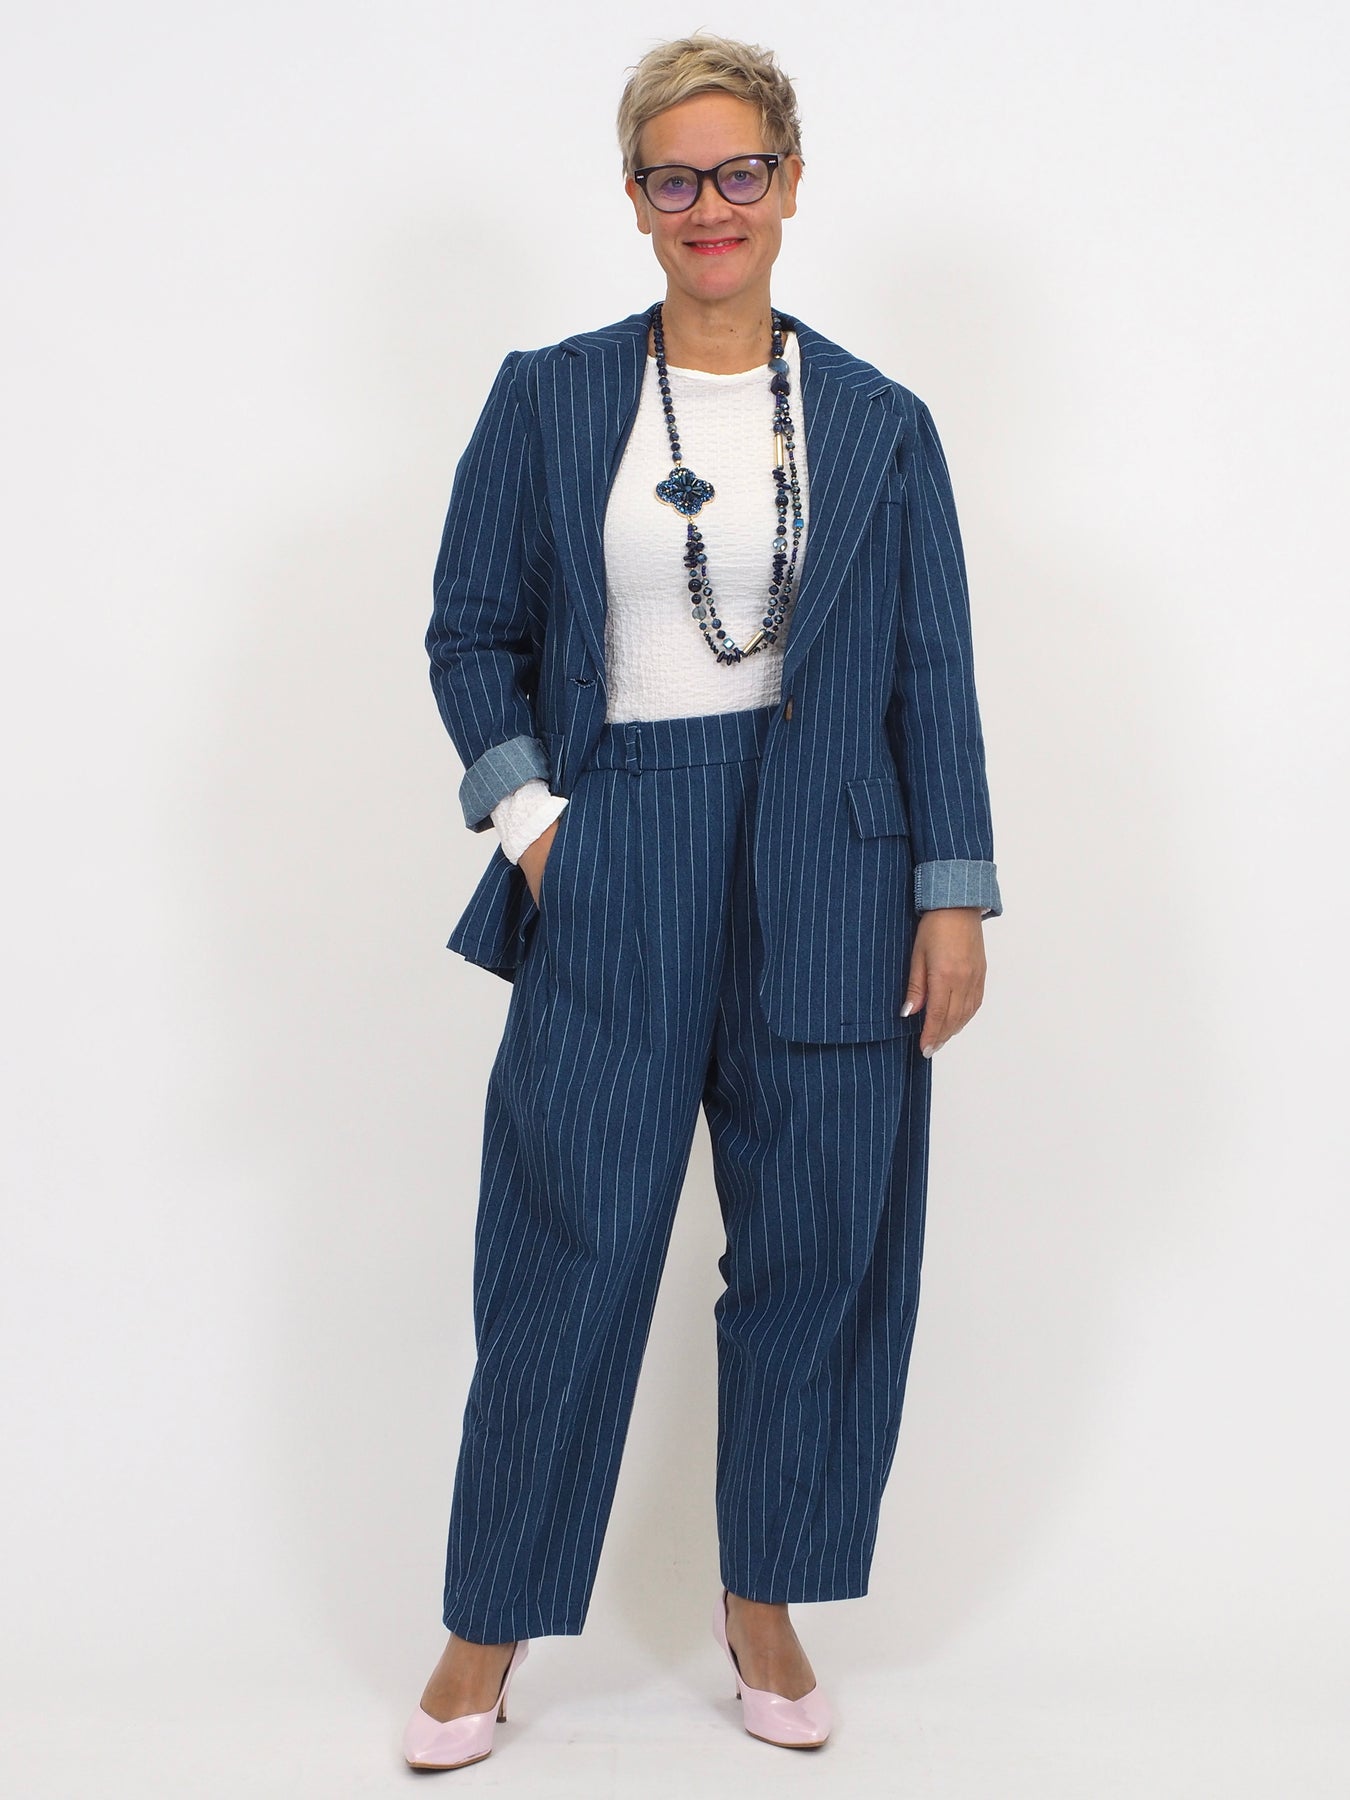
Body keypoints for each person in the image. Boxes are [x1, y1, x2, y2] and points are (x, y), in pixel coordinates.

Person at [402, 31, 1002, 1771]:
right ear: (635, 200)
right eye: (675, 177)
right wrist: (539, 828)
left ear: (791, 183)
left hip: (838, 862)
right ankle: (485, 1626)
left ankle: (766, 1602)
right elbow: (468, 632)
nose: (710, 205)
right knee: (568, 1248)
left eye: (741, 171)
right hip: (620, 847)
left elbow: (932, 672)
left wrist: (951, 892)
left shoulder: (878, 423)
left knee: (816, 1251)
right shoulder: (549, 395)